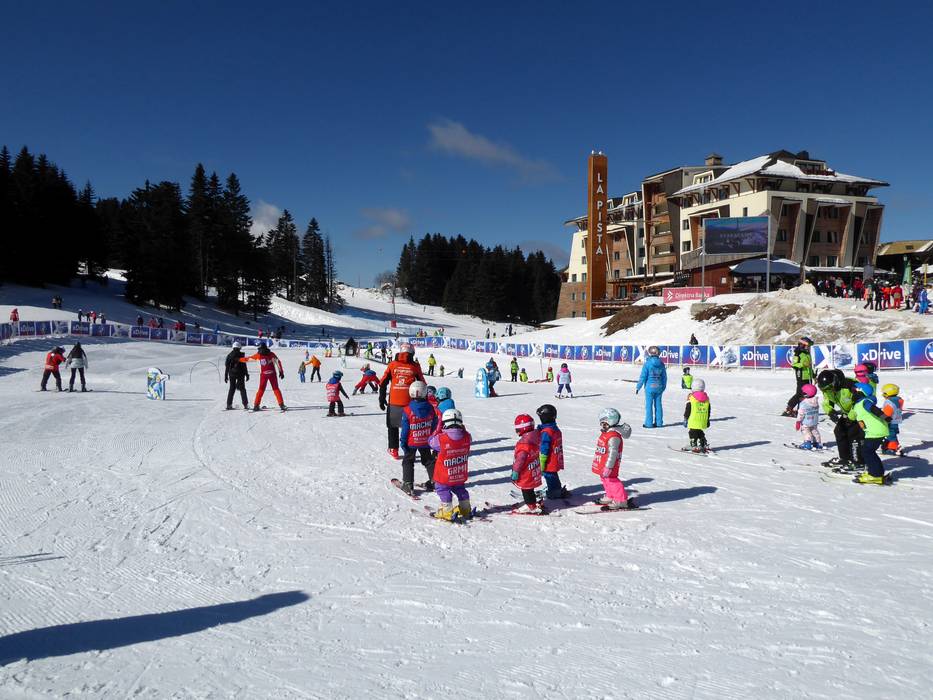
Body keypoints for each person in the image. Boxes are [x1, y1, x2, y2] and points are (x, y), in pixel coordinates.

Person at [379, 343, 425, 459]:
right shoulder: (415, 366)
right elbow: (422, 383)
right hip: (410, 403)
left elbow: (383, 382)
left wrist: (381, 397)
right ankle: (408, 450)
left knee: (392, 426)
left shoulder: (392, 364)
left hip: (394, 401)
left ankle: (393, 449)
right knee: (409, 427)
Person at [427, 409, 472, 521]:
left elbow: (430, 442)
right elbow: (468, 437)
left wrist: (437, 430)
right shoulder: (467, 436)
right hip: (459, 472)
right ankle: (465, 508)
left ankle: (447, 510)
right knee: (460, 489)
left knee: (443, 489)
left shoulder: (441, 439)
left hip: (444, 474)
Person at [817, 369, 864, 469]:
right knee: (839, 431)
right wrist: (830, 411)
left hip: (859, 413)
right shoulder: (827, 389)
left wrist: (851, 417)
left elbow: (860, 402)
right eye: (824, 389)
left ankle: (858, 461)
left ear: (835, 382)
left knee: (853, 434)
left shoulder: (850, 385)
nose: (827, 391)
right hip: (847, 413)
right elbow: (827, 401)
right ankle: (845, 458)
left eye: (829, 388)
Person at [591, 408, 636, 510]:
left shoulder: (613, 436)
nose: (602, 425)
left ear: (609, 422)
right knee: (605, 479)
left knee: (612, 480)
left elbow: (613, 453)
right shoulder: (607, 433)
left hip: (610, 465)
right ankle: (610, 495)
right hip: (604, 463)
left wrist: (609, 467)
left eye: (603, 423)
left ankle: (621, 500)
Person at [399, 381, 437, 494]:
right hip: (425, 440)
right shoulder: (430, 408)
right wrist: (431, 437)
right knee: (428, 461)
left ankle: (408, 483)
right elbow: (434, 424)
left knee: (408, 461)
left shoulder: (407, 409)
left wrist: (403, 442)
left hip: (412, 441)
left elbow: (405, 429)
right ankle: (435, 481)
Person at [851, 383, 891, 485]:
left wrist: (885, 417)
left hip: (875, 431)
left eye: (855, 391)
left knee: (867, 452)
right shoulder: (858, 404)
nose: (853, 393)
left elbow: (874, 410)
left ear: (861, 392)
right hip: (874, 431)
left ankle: (875, 475)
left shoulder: (865, 402)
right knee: (869, 452)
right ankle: (877, 473)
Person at [511, 414, 544, 514]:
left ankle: (531, 506)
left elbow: (520, 460)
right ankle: (532, 503)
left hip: (526, 472)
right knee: (530, 488)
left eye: (517, 429)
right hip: (534, 469)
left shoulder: (524, 444)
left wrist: (516, 471)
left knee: (526, 489)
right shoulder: (536, 437)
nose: (517, 432)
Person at [240, 342, 286, 411]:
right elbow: (278, 362)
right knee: (276, 388)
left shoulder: (258, 355)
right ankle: (281, 405)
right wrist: (281, 372)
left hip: (264, 375)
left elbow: (247, 359)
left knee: (261, 389)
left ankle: (256, 405)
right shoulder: (271, 354)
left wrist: (238, 359)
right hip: (272, 374)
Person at [537, 403, 568, 500]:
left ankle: (554, 492)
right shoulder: (554, 428)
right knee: (553, 475)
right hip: (555, 459)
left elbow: (544, 449)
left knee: (549, 475)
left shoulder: (547, 432)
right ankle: (556, 489)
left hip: (549, 461)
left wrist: (542, 463)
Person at [636, 346, 667, 428]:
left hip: (649, 387)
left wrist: (638, 387)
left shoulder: (647, 364)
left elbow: (643, 377)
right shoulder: (661, 364)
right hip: (659, 387)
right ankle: (659, 423)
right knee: (658, 405)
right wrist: (663, 387)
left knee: (649, 406)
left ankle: (648, 423)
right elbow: (664, 377)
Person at [783, 337, 814, 416]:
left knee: (806, 394)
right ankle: (789, 408)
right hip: (801, 376)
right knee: (799, 393)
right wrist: (803, 364)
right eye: (807, 346)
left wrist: (813, 375)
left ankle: (800, 410)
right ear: (802, 345)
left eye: (809, 346)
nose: (809, 348)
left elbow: (810, 367)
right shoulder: (798, 353)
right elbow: (794, 365)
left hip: (808, 377)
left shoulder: (807, 354)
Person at [683, 378, 711, 453]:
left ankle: (694, 445)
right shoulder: (706, 398)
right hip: (703, 420)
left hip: (693, 419)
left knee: (692, 432)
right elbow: (708, 410)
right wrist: (707, 419)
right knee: (699, 431)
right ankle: (703, 443)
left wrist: (685, 418)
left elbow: (688, 409)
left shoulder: (691, 398)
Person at [793, 383, 822, 449]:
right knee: (815, 431)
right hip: (814, 421)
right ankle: (817, 443)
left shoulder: (804, 403)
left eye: (803, 393)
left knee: (806, 431)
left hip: (806, 422)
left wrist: (798, 421)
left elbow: (801, 413)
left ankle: (807, 443)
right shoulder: (815, 401)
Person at [224, 341, 250, 410]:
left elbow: (227, 366)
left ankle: (229, 404)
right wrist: (247, 374)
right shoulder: (241, 355)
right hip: (240, 374)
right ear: (239, 348)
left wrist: (226, 376)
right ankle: (245, 404)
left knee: (232, 388)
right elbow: (244, 366)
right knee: (242, 389)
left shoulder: (229, 355)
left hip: (232, 374)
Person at [880, 383, 904, 455]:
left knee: (891, 435)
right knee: (892, 434)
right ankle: (891, 446)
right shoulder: (898, 400)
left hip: (889, 421)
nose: (883, 395)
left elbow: (887, 414)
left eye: (884, 393)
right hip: (896, 420)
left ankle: (892, 448)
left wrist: (880, 417)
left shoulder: (889, 402)